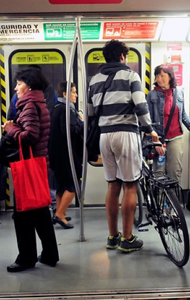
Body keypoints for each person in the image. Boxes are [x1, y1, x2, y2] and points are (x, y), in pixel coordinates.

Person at [87, 40, 159, 253]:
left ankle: (112, 236)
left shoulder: (94, 80)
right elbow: (140, 105)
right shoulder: (130, 75)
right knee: (130, 186)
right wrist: (149, 130)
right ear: (121, 57)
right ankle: (127, 239)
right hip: (126, 133)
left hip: (104, 136)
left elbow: (91, 113)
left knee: (113, 185)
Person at [3, 67, 59, 272]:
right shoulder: (39, 102)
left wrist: (11, 129)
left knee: (23, 214)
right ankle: (50, 254)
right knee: (40, 212)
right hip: (38, 162)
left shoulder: (28, 105)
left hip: (29, 165)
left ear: (29, 85)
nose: (16, 87)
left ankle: (26, 258)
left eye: (19, 83)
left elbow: (30, 136)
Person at [49, 81, 83, 229]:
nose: (76, 95)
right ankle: (59, 215)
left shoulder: (55, 108)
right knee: (73, 185)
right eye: (74, 92)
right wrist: (81, 122)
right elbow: (70, 131)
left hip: (56, 154)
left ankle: (60, 211)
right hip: (66, 154)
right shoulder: (66, 110)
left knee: (61, 185)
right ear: (65, 94)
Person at [146, 64, 190, 182]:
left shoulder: (179, 92)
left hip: (176, 137)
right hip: (159, 138)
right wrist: (155, 141)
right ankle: (160, 200)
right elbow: (147, 119)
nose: (159, 79)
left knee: (175, 172)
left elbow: (183, 115)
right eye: (157, 76)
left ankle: (173, 200)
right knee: (159, 174)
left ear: (170, 76)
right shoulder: (152, 95)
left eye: (162, 76)